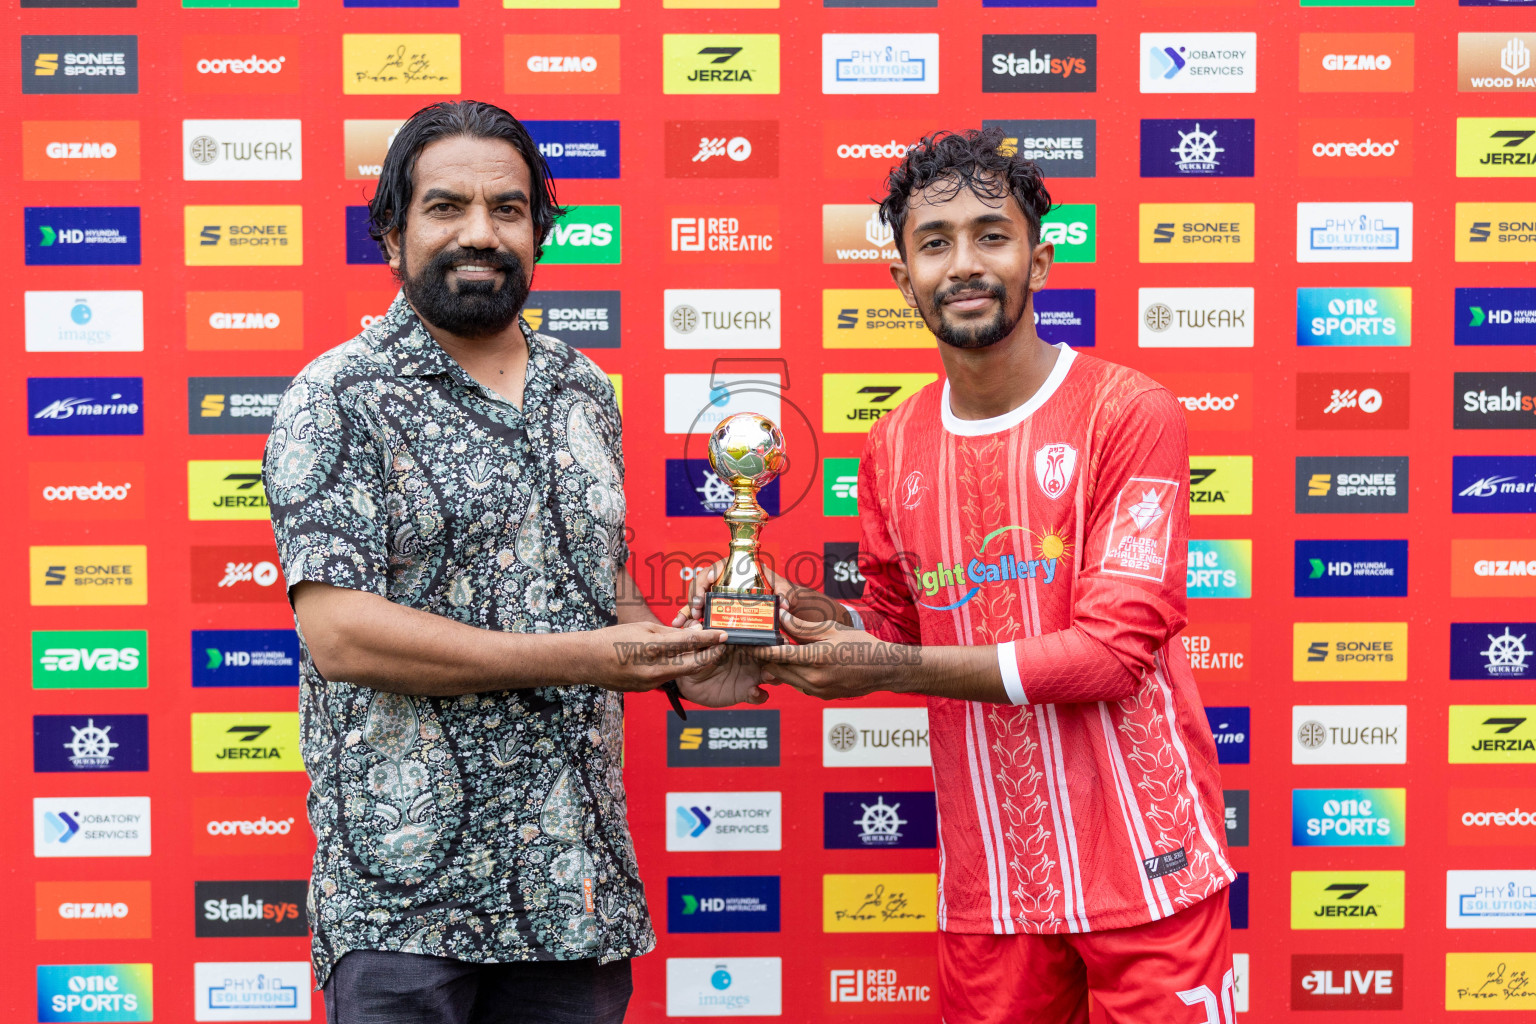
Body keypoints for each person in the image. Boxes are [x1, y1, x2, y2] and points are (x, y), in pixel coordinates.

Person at [679, 128, 1236, 1023]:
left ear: (1040, 260)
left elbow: (1110, 655)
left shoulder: (1131, 412)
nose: (964, 264)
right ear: (903, 278)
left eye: (991, 234)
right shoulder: (893, 442)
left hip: (1149, 866)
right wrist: (787, 624)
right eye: (935, 243)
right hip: (993, 886)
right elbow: (895, 633)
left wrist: (890, 666)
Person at [262, 100, 761, 1024]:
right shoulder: (335, 396)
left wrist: (690, 658)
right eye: (446, 207)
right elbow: (339, 635)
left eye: (508, 209)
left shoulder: (583, 388)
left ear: (541, 229)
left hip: (575, 893)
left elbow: (606, 603)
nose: (480, 234)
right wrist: (584, 659)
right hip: (403, 906)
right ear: (392, 232)